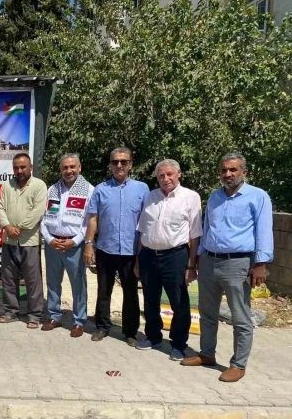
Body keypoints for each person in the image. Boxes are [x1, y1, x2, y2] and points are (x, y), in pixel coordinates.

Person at [181, 153, 274, 382]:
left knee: (240, 316)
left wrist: (260, 264)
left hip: (238, 263)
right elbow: (208, 228)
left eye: (233, 170)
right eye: (224, 170)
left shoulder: (258, 196)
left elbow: (264, 230)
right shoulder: (215, 196)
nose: (228, 174)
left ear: (244, 172)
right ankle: (207, 353)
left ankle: (238, 364)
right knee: (207, 312)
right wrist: (199, 258)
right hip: (209, 261)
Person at [134, 159, 202, 360]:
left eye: (169, 174)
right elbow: (142, 230)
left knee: (178, 302)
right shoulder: (151, 196)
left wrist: (191, 266)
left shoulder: (190, 197)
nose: (165, 179)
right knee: (150, 299)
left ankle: (178, 344)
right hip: (148, 255)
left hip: (175, 256)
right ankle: (153, 336)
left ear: (178, 174)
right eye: (161, 175)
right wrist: (138, 260)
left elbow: (195, 235)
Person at [84, 147, 149, 345]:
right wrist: (89, 244)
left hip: (131, 251)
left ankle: (130, 332)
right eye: (115, 162)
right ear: (110, 165)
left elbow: (146, 222)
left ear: (131, 164)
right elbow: (93, 219)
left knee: (131, 292)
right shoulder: (100, 189)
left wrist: (142, 252)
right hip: (106, 249)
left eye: (123, 161)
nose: (119, 165)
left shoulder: (142, 189)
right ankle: (102, 327)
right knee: (104, 290)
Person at [40, 154, 94, 337]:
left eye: (72, 167)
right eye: (65, 167)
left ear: (80, 167)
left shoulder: (89, 190)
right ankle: (54, 316)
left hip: (74, 245)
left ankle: (79, 321)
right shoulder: (52, 190)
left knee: (78, 285)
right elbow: (43, 218)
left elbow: (90, 221)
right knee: (53, 283)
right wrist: (49, 239)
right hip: (52, 244)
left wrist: (75, 241)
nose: (69, 171)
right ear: (60, 169)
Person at [0, 153, 48, 329]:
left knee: (33, 280)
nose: (19, 170)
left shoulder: (39, 186)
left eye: (23, 167)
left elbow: (38, 211)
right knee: (9, 278)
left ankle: (35, 315)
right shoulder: (7, 185)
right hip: (9, 240)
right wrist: (7, 226)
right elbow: (0, 207)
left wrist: (19, 228)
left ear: (31, 167)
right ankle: (11, 312)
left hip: (30, 240)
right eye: (16, 167)